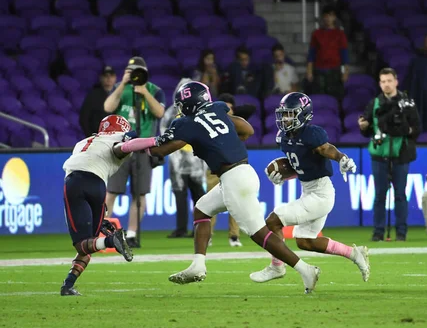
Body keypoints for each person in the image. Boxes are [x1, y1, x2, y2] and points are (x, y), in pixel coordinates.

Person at [119, 81, 322, 293]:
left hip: (234, 179)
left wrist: (139, 146)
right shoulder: (217, 110)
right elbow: (247, 129)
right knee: (202, 209)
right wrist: (224, 142)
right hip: (242, 173)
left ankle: (305, 269)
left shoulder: (187, 123)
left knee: (259, 234)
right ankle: (198, 265)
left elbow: (161, 151)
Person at [249, 92, 368, 283]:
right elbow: (301, 166)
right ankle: (355, 254)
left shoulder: (312, 133)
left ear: (304, 114)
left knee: (273, 221)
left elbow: (326, 149)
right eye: (284, 114)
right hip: (309, 190)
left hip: (321, 194)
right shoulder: (284, 137)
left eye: (290, 114)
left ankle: (276, 267)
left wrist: (341, 158)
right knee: (305, 241)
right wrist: (285, 176)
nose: (286, 119)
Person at [60, 115, 135, 296]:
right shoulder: (120, 139)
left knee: (83, 244)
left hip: (76, 182)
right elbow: (120, 148)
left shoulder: (82, 142)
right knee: (90, 244)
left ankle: (111, 241)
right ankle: (68, 285)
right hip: (98, 186)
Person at [103, 56, 166, 248]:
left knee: (140, 195)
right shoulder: (120, 89)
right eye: (131, 71)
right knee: (111, 191)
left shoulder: (155, 91)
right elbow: (108, 108)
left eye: (138, 71)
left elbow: (159, 113)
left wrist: (145, 92)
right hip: (119, 146)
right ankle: (103, 230)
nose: (135, 75)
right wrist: (122, 84)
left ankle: (131, 234)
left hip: (142, 148)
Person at [358, 68, 421, 242]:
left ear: (396, 81)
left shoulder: (407, 103)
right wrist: (363, 126)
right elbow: (367, 129)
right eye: (383, 81)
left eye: (389, 80)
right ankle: (378, 232)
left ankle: (401, 232)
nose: (386, 84)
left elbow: (417, 128)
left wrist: (404, 130)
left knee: (400, 194)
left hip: (401, 153)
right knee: (379, 195)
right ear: (380, 83)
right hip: (379, 154)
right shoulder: (374, 103)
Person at [205, 93, 258, 247]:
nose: (228, 111)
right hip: (215, 168)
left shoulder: (236, 123)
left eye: (230, 108)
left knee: (236, 203)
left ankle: (234, 236)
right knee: (209, 204)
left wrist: (232, 111)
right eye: (225, 108)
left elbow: (251, 108)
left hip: (234, 167)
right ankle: (208, 235)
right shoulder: (212, 122)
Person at [161, 78, 207, 239]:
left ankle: (199, 228)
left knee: (199, 197)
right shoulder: (171, 112)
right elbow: (163, 132)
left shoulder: (190, 111)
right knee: (180, 195)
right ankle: (181, 228)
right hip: (178, 160)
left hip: (195, 159)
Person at [306, 5, 348, 101]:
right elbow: (311, 54)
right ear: (323, 17)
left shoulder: (340, 34)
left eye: (331, 15)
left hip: (334, 71)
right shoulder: (316, 33)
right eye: (326, 15)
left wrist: (345, 72)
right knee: (319, 97)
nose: (328, 18)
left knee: (334, 98)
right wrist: (309, 70)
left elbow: (344, 54)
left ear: (335, 17)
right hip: (319, 70)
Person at [79, 65, 117, 137]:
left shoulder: (120, 94)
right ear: (101, 78)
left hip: (116, 137)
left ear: (115, 78)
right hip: (98, 137)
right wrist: (91, 136)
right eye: (106, 76)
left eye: (111, 75)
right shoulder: (93, 95)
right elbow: (84, 118)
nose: (109, 78)